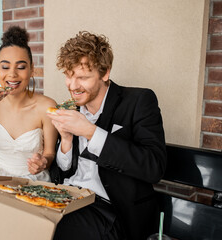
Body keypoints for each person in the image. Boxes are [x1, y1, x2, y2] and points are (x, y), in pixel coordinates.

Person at [47, 31, 167, 240]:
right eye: (68, 75)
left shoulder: (139, 101)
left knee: (51, 229)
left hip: (113, 211)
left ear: (105, 73)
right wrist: (65, 140)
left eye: (82, 77)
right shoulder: (71, 108)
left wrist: (91, 132)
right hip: (68, 200)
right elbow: (63, 173)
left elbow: (153, 166)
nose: (73, 86)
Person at [0, 26, 58, 182]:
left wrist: (43, 162)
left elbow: (49, 154)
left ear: (32, 70)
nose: (12, 74)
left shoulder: (47, 107)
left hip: (33, 181)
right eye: (5, 67)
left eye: (21, 67)